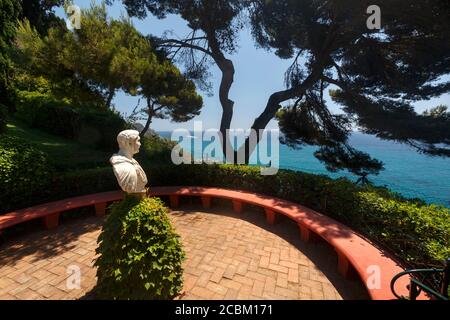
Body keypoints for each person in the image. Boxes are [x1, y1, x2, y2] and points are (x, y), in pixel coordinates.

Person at [110, 130, 148, 195]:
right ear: (129, 143)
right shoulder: (122, 165)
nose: (140, 144)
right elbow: (130, 187)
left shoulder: (133, 161)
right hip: (132, 201)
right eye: (138, 141)